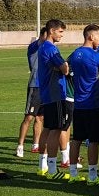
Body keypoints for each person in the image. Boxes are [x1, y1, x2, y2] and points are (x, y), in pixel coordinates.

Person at [67, 24, 99, 185]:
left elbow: (66, 69)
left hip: (79, 103)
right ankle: (92, 176)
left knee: (76, 139)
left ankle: (73, 173)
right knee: (94, 141)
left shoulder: (75, 54)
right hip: (93, 103)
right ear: (91, 36)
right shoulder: (97, 57)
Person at [37, 19, 71, 180]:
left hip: (47, 93)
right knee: (56, 130)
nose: (61, 35)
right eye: (60, 32)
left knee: (48, 129)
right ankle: (51, 169)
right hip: (55, 94)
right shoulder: (50, 48)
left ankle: (42, 165)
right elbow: (65, 70)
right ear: (51, 31)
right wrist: (65, 65)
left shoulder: (44, 47)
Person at [16, 27, 46, 158]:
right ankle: (20, 145)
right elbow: (39, 44)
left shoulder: (48, 48)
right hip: (35, 86)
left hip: (46, 87)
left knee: (40, 118)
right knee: (29, 117)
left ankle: (35, 144)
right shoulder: (35, 46)